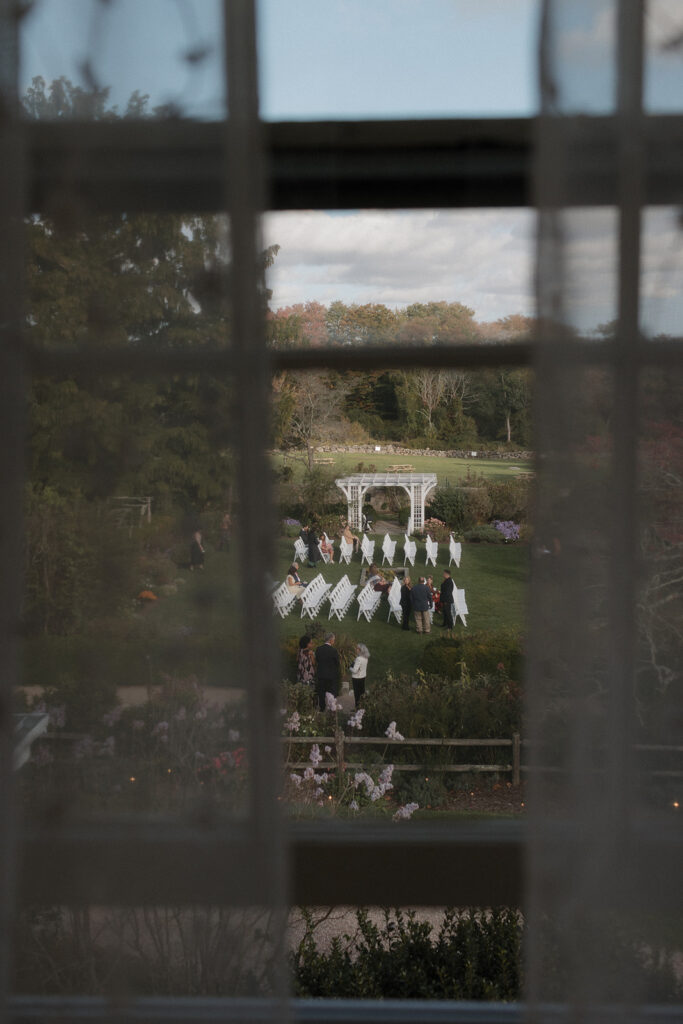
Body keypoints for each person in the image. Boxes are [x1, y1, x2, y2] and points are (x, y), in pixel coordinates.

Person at [315, 632, 341, 711]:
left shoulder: (318, 649)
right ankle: (331, 709)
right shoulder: (333, 651)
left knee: (321, 693)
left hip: (321, 675)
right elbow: (337, 663)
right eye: (333, 640)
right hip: (330, 676)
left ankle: (322, 709)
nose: (334, 641)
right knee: (331, 694)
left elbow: (317, 660)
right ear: (330, 640)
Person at [349, 642, 370, 708]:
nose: (356, 649)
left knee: (357, 694)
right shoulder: (366, 658)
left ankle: (357, 707)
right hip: (363, 677)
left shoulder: (358, 659)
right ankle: (362, 706)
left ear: (360, 650)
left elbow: (355, 670)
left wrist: (350, 668)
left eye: (357, 648)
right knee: (361, 692)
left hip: (356, 678)